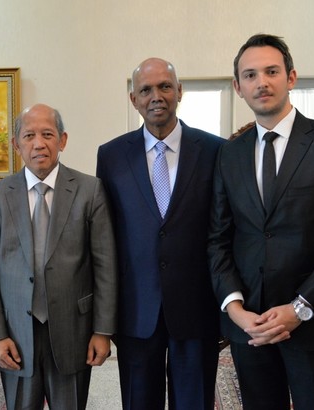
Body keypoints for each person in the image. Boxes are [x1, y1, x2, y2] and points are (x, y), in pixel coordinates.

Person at [208, 33, 314, 410]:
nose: (261, 82)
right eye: (250, 75)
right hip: (251, 326)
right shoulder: (229, 154)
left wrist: (299, 308)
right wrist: (235, 309)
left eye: (271, 71)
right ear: (238, 87)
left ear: (291, 77)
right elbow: (218, 238)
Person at [96, 58, 224, 409]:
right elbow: (106, 237)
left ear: (179, 91)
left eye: (165, 86)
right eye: (146, 90)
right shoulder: (111, 156)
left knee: (194, 402)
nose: (156, 96)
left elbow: (224, 230)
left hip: (197, 308)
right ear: (133, 99)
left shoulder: (216, 151)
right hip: (136, 309)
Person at [0, 103, 118, 410]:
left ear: (62, 140)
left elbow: (105, 264)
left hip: (74, 330)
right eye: (29, 136)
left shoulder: (89, 190)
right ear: (16, 145)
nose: (38, 143)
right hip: (14, 333)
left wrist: (102, 331)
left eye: (47, 134)